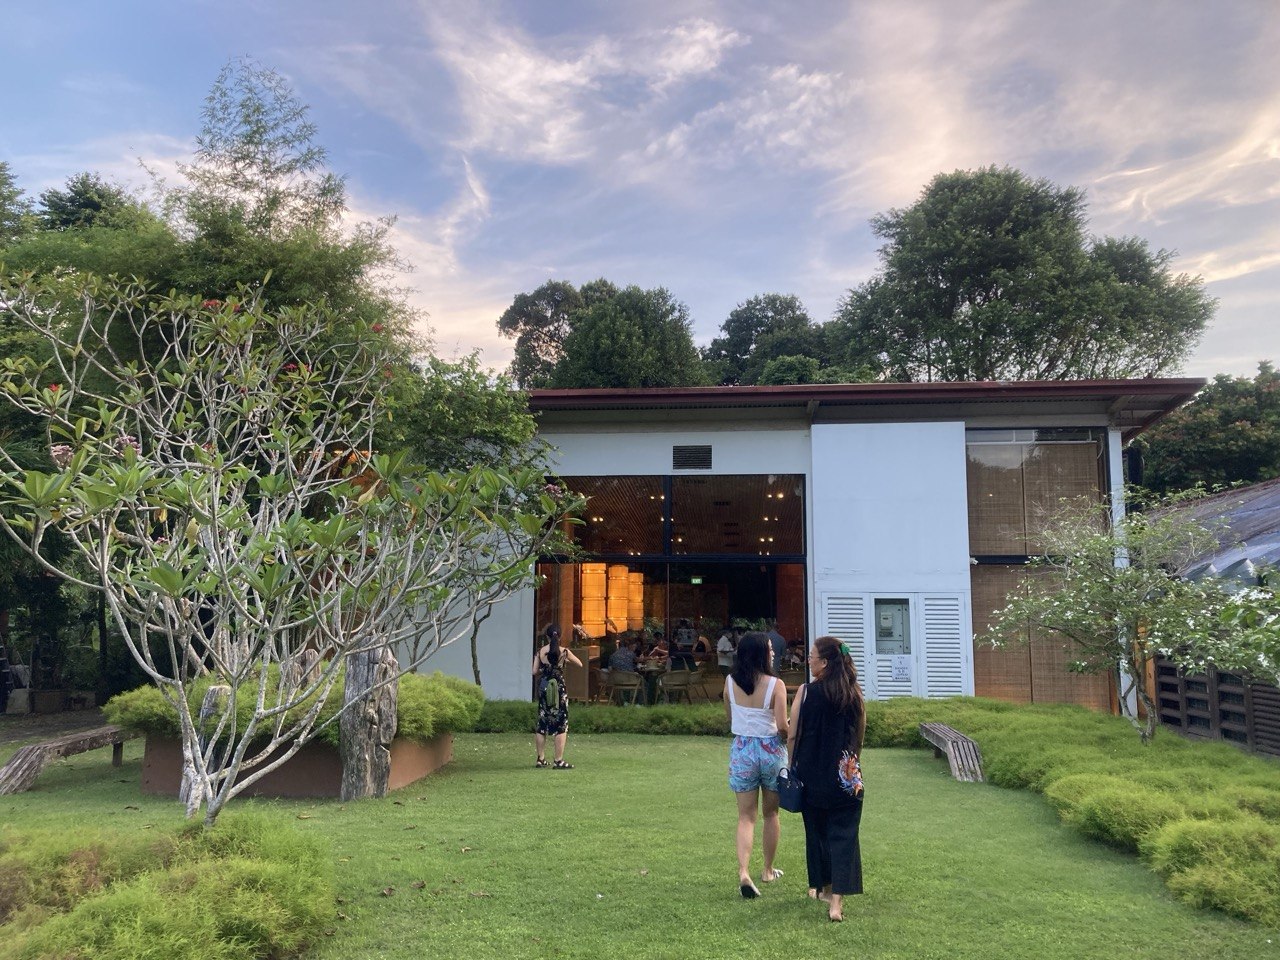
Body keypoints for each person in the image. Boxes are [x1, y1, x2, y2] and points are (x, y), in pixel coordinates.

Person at [788, 635, 866, 922]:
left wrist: (791, 764)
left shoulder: (806, 692)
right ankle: (836, 903)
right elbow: (860, 734)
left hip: (812, 775)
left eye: (811, 656)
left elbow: (793, 734)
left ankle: (823, 887)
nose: (808, 660)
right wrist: (852, 763)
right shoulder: (854, 693)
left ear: (824, 662)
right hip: (847, 776)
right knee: (845, 835)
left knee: (818, 831)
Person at [724, 631, 789, 899]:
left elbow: (731, 719)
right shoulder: (776, 684)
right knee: (771, 814)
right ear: (761, 653)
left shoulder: (730, 682)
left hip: (742, 750)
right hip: (771, 750)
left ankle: (743, 871)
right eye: (770, 649)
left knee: (745, 817)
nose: (773, 653)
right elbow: (782, 726)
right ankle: (767, 870)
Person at [533, 625, 582, 769]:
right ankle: (558, 760)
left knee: (542, 722)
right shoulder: (564, 651)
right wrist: (564, 660)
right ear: (559, 636)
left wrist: (544, 668)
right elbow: (579, 664)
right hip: (558, 688)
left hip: (544, 687)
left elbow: (534, 671)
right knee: (561, 722)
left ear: (547, 636)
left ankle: (541, 759)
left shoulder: (540, 652)